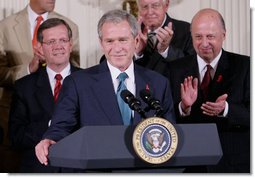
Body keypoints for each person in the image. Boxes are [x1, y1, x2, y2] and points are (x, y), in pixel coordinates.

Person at [35, 9, 176, 171]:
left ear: (136, 41)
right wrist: (50, 139)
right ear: (101, 43)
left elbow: (169, 132)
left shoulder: (158, 83)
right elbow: (61, 126)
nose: (117, 48)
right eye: (110, 41)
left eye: (123, 40)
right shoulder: (78, 83)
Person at [166, 8, 250, 173]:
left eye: (210, 36)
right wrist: (183, 107)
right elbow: (163, 116)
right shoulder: (174, 69)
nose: (204, 43)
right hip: (188, 163)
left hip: (233, 164)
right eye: (198, 37)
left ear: (223, 35)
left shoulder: (245, 66)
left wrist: (226, 109)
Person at [0, 0, 80, 172]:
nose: (58, 46)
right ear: (40, 49)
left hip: (78, 168)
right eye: (51, 42)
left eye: (62, 40)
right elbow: (16, 137)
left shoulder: (88, 81)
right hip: (38, 168)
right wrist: (53, 127)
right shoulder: (24, 87)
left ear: (70, 44)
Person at [134, 0, 195, 74]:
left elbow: (191, 66)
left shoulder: (187, 30)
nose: (149, 12)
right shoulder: (132, 31)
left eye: (155, 5)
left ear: (166, 5)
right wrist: (138, 53)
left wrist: (166, 50)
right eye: (144, 6)